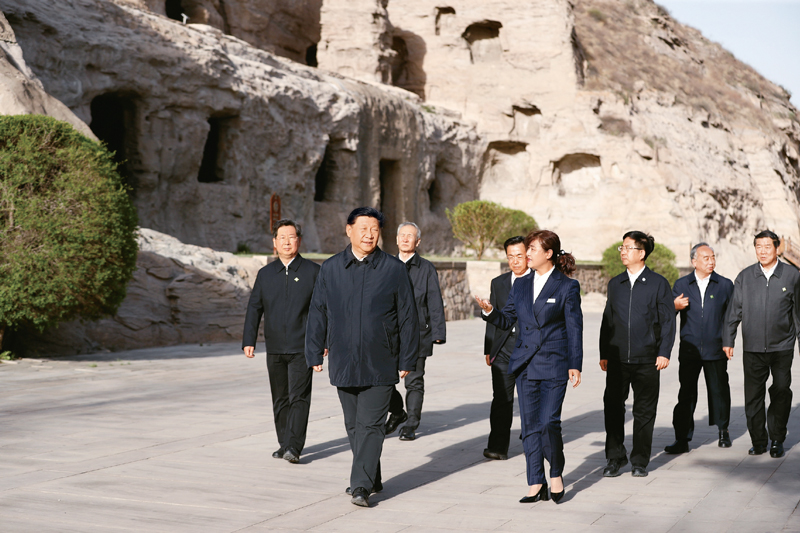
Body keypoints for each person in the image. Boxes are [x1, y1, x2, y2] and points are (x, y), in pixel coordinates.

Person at [305, 207, 419, 507]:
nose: (369, 235)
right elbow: (318, 311)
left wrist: (408, 359)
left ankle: (360, 486)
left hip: (380, 359)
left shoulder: (393, 269)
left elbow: (408, 317)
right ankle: (373, 477)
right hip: (343, 359)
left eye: (375, 229)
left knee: (370, 426)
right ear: (349, 230)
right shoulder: (331, 268)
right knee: (354, 426)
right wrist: (314, 350)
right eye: (363, 229)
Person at [475, 229, 583, 504]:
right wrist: (490, 311)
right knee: (530, 426)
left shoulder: (567, 286)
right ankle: (535, 482)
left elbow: (574, 328)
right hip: (524, 365)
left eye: (532, 249)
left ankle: (555, 472)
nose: (527, 254)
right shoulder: (521, 284)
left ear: (549, 253)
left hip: (554, 364)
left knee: (549, 423)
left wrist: (575, 363)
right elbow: (507, 320)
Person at [242, 219, 320, 464]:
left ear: (299, 240)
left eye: (291, 237)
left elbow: (322, 310)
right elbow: (254, 308)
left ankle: (294, 447)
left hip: (302, 347)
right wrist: (249, 339)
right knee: (280, 398)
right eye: (282, 237)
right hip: (274, 347)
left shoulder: (313, 272)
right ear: (274, 242)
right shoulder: (266, 274)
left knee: (299, 397)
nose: (287, 242)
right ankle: (284, 443)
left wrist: (322, 341)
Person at [600, 231, 675, 478]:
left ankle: (640, 460)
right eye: (622, 247)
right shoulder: (615, 284)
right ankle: (614, 457)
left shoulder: (658, 283)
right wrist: (604, 352)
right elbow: (608, 320)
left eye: (628, 247)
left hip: (647, 359)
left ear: (641, 253)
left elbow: (668, 321)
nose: (622, 251)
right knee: (612, 408)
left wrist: (663, 352)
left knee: (644, 411)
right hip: (617, 359)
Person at [723, 230, 800, 458]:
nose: (763, 251)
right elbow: (734, 310)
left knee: (781, 390)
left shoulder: (792, 276)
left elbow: (798, 313)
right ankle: (758, 441)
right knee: (753, 396)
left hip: (782, 346)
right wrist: (728, 339)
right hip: (753, 347)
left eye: (767, 246)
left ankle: (777, 439)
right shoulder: (745, 276)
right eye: (759, 246)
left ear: (777, 248)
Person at [664, 243, 734, 454]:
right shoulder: (682, 284)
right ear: (694, 261)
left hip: (716, 349)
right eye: (706, 258)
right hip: (690, 350)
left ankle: (723, 431)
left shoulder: (724, 285)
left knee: (719, 391)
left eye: (713, 257)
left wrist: (728, 341)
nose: (711, 261)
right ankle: (682, 438)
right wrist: (673, 306)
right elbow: (667, 314)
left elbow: (731, 317)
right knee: (686, 394)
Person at [385, 222, 446, 441]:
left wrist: (438, 333)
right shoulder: (385, 265)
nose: (405, 239)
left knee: (414, 381)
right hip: (389, 333)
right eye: (402, 235)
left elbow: (434, 301)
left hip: (418, 333)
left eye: (410, 236)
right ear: (396, 239)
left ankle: (411, 423)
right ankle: (397, 412)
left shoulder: (426, 268)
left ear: (417, 241)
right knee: (383, 379)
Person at [481, 236, 531, 461]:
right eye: (511, 256)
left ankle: (531, 439)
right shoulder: (498, 283)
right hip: (502, 350)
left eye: (519, 256)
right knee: (501, 398)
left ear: (528, 256)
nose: (515, 261)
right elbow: (493, 318)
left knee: (529, 399)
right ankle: (497, 446)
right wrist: (489, 348)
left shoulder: (538, 281)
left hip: (529, 350)